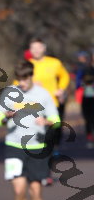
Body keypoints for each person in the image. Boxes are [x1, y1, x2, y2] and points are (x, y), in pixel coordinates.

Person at [0, 60, 60, 200]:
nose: (22, 82)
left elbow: (56, 120)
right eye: (19, 79)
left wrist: (46, 122)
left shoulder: (43, 94)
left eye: (25, 78)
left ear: (31, 76)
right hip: (14, 146)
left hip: (37, 147)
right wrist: (6, 116)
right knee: (18, 190)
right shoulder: (9, 93)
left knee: (36, 191)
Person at [28, 38, 70, 176]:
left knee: (51, 134)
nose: (36, 50)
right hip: (34, 106)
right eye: (33, 48)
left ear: (44, 48)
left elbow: (65, 76)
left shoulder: (54, 63)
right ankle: (40, 165)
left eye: (38, 47)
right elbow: (18, 82)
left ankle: (49, 159)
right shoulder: (27, 65)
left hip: (51, 104)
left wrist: (61, 89)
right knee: (37, 136)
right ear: (30, 50)